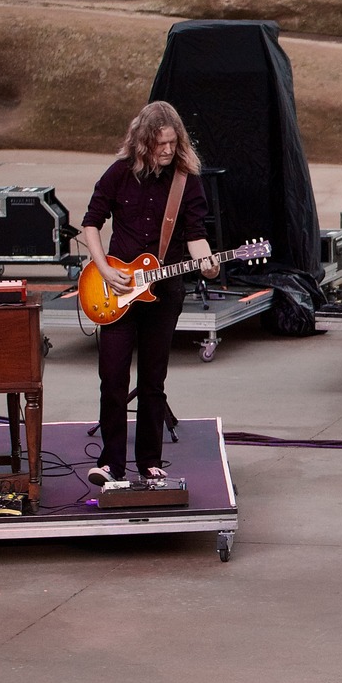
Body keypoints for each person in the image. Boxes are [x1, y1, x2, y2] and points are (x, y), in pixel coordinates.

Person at [79, 101, 218, 486]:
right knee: (113, 377)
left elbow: (196, 234)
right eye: (160, 144)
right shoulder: (119, 174)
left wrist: (208, 262)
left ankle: (150, 463)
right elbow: (91, 223)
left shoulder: (185, 179)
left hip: (165, 291)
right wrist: (105, 268)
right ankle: (110, 463)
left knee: (154, 379)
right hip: (117, 289)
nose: (168, 150)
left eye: (173, 142)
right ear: (143, 142)